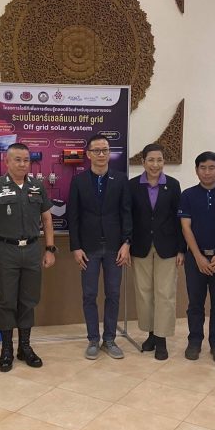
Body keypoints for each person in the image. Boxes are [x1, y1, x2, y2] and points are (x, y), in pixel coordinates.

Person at [0, 143, 56, 372]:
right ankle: (7, 349)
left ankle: (25, 347)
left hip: (32, 250)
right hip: (6, 250)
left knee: (28, 300)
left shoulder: (37, 186)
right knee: (7, 301)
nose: (23, 164)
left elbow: (47, 219)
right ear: (7, 161)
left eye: (26, 160)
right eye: (17, 159)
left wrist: (50, 249)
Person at [68, 134, 133, 360]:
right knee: (89, 295)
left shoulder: (121, 179)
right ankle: (93, 340)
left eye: (105, 150)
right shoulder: (78, 181)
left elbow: (127, 213)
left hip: (115, 247)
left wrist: (127, 243)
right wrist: (76, 247)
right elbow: (73, 217)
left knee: (113, 294)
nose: (101, 154)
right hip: (88, 248)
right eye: (96, 150)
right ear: (88, 154)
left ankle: (110, 339)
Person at [129, 144, 185, 361]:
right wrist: (126, 243)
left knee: (165, 293)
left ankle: (161, 339)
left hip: (168, 247)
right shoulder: (133, 185)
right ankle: (151, 333)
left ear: (164, 162)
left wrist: (181, 249)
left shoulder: (173, 185)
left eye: (159, 160)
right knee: (144, 293)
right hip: (140, 246)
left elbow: (180, 219)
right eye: (151, 160)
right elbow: (128, 217)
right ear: (143, 162)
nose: (155, 164)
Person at [179, 151, 215, 363]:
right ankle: (194, 341)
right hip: (195, 259)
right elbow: (186, 227)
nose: (207, 172)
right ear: (196, 170)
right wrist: (198, 257)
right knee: (195, 303)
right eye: (203, 168)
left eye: (212, 168)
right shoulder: (188, 195)